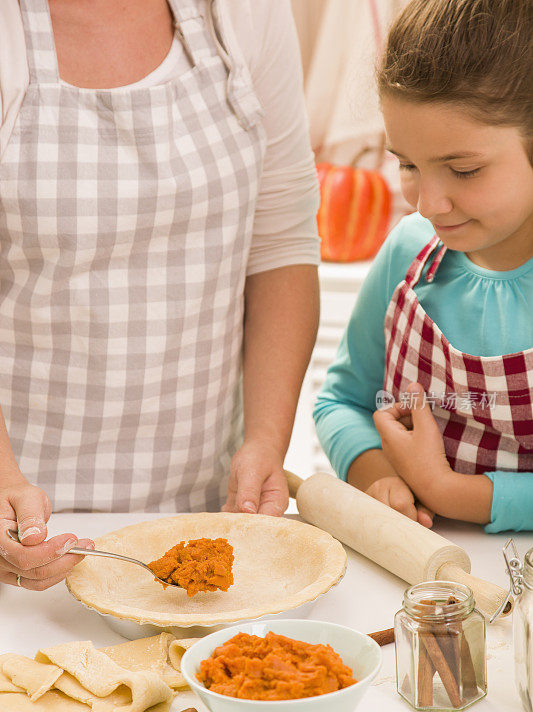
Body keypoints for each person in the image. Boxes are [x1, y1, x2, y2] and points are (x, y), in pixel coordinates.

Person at [0, 0, 320, 590]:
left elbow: (280, 246)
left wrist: (265, 440)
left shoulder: (245, 13)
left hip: (203, 512)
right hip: (21, 521)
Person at [314, 0, 533, 533]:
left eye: (463, 170)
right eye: (408, 164)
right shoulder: (408, 251)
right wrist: (376, 475)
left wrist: (448, 492)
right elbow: (339, 401)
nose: (428, 203)